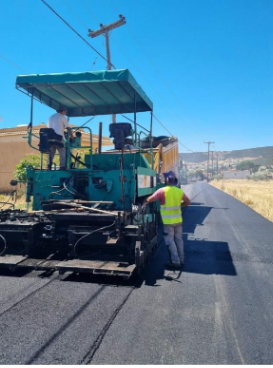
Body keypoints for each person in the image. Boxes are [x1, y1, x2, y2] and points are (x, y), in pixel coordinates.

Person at [145, 171, 191, 268]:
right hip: (178, 221)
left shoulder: (162, 191)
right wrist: (180, 205)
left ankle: (175, 261)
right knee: (179, 240)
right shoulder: (179, 191)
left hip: (168, 222)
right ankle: (181, 260)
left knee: (170, 241)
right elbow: (188, 202)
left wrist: (145, 200)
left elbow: (150, 199)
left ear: (166, 181)